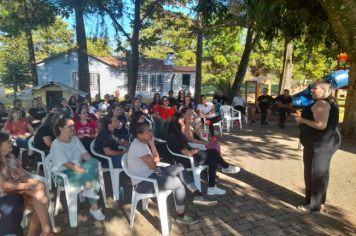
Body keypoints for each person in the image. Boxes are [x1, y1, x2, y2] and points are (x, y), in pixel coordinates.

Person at [127, 122, 217, 224]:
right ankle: (181, 216)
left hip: (151, 174)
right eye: (147, 131)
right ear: (140, 134)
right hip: (142, 182)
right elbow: (153, 165)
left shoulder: (143, 143)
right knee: (178, 183)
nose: (150, 132)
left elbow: (155, 160)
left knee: (179, 167)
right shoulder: (138, 146)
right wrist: (152, 153)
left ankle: (197, 194)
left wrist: (152, 144)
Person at [166, 113, 240, 195]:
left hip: (189, 158)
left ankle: (212, 188)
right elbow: (188, 153)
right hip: (186, 161)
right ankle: (226, 167)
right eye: (181, 122)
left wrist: (196, 150)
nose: (183, 124)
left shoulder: (177, 134)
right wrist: (196, 150)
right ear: (175, 122)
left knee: (213, 160)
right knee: (213, 151)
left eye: (183, 122)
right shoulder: (173, 136)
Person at [295, 79, 341, 212]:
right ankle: (319, 202)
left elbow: (321, 125)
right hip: (325, 142)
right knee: (321, 172)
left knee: (314, 172)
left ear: (324, 90)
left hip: (319, 143)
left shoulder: (321, 103)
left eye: (315, 88)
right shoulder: (330, 101)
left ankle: (313, 205)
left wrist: (302, 120)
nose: (311, 90)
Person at [0, 133, 54, 236]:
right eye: (7, 142)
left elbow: (23, 174)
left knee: (42, 198)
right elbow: (3, 184)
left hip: (19, 190)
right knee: (42, 199)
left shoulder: (11, 156)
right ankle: (42, 232)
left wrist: (32, 181)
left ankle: (39, 233)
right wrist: (29, 186)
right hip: (5, 197)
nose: (11, 143)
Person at [51, 117, 105, 220]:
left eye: (73, 126)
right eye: (69, 126)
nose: (73, 128)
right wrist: (87, 171)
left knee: (94, 161)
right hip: (64, 174)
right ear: (61, 128)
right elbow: (67, 164)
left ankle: (90, 193)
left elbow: (84, 154)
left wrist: (91, 166)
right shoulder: (56, 144)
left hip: (79, 169)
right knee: (93, 178)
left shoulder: (75, 139)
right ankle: (94, 208)